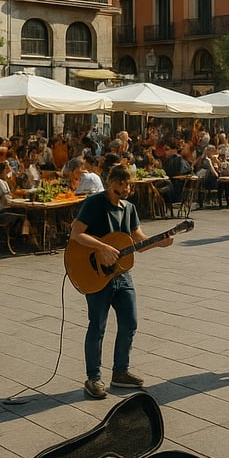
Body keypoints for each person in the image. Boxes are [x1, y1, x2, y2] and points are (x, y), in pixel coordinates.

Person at [70, 165, 173, 398]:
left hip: (121, 274)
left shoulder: (129, 209)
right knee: (98, 325)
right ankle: (93, 377)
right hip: (97, 274)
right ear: (110, 182)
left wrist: (160, 242)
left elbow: (139, 240)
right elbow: (76, 233)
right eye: (121, 184)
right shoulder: (95, 203)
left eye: (128, 185)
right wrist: (102, 247)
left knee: (130, 322)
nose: (125, 189)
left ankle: (120, 371)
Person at [0, 161, 27, 241]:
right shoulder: (0, 183)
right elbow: (6, 201)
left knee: (20, 211)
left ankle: (16, 235)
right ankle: (20, 236)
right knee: (23, 211)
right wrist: (19, 202)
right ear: (3, 171)